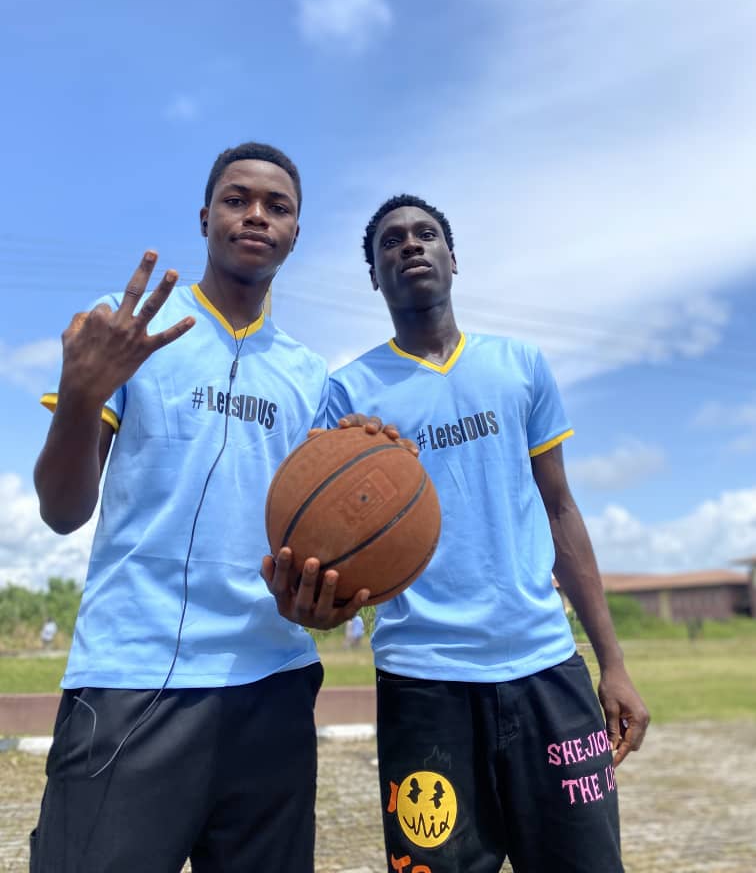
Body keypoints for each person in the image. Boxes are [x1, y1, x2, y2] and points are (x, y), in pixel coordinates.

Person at [30, 142, 368, 873]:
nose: (257, 215)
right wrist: (82, 396)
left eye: (277, 206)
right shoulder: (128, 330)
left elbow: (321, 534)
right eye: (236, 199)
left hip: (272, 685)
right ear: (205, 217)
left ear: (296, 233)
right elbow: (62, 510)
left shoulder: (309, 376)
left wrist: (328, 596)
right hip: (132, 678)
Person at [324, 195, 651, 872]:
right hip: (423, 681)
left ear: (453, 258)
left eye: (426, 234)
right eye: (391, 241)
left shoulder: (519, 364)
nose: (410, 245)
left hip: (547, 669)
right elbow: (334, 535)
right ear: (375, 276)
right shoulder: (348, 394)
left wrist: (613, 662)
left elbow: (560, 509)